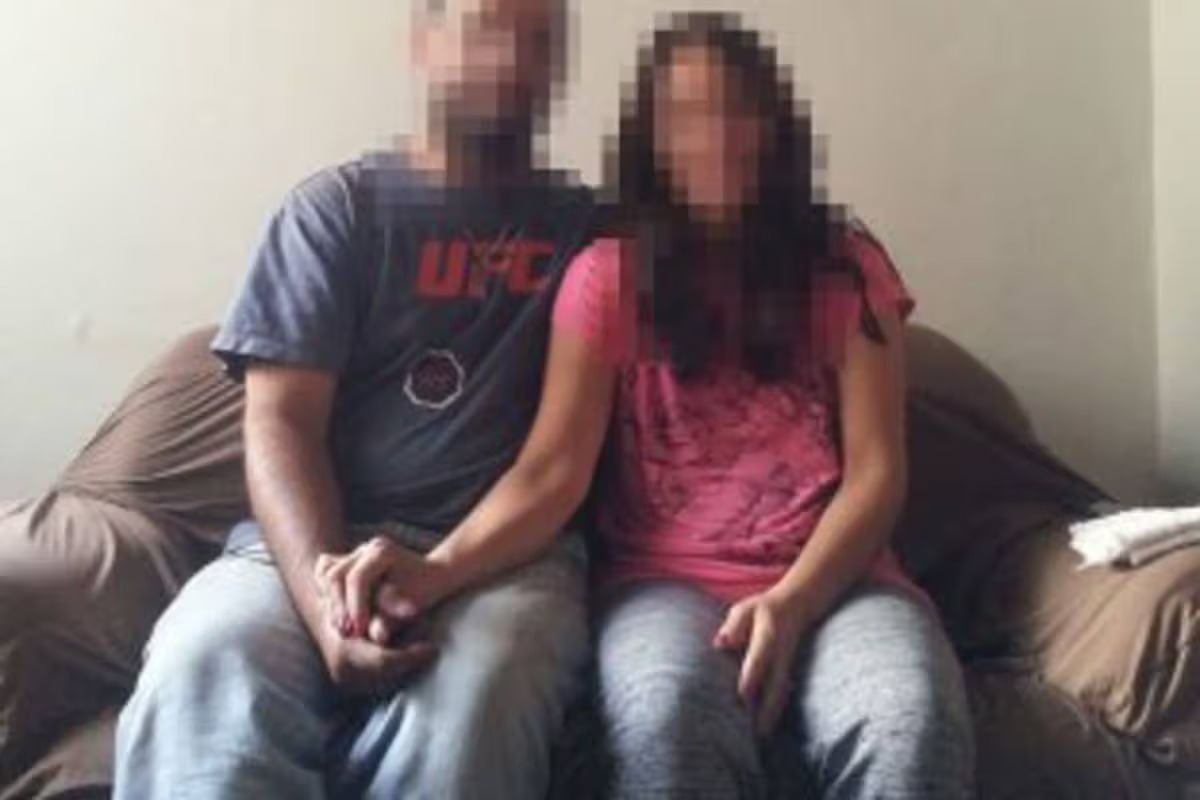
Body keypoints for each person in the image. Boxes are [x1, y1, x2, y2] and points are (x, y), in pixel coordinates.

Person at [113, 0, 618, 797]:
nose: (512, 60)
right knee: (201, 663)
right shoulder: (335, 212)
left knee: (482, 695)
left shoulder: (587, 233)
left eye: (538, 41)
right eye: (487, 30)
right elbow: (282, 424)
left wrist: (437, 572)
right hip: (314, 549)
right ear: (425, 44)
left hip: (505, 560)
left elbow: (560, 461)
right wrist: (326, 601)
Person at [551, 13, 976, 799]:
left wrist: (793, 600)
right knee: (667, 722)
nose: (715, 137)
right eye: (686, 115)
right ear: (652, 140)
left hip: (841, 579)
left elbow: (878, 473)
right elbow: (552, 472)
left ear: (774, 125)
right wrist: (437, 571)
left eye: (735, 109)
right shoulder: (605, 279)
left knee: (909, 722)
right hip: (662, 586)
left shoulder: (848, 265)